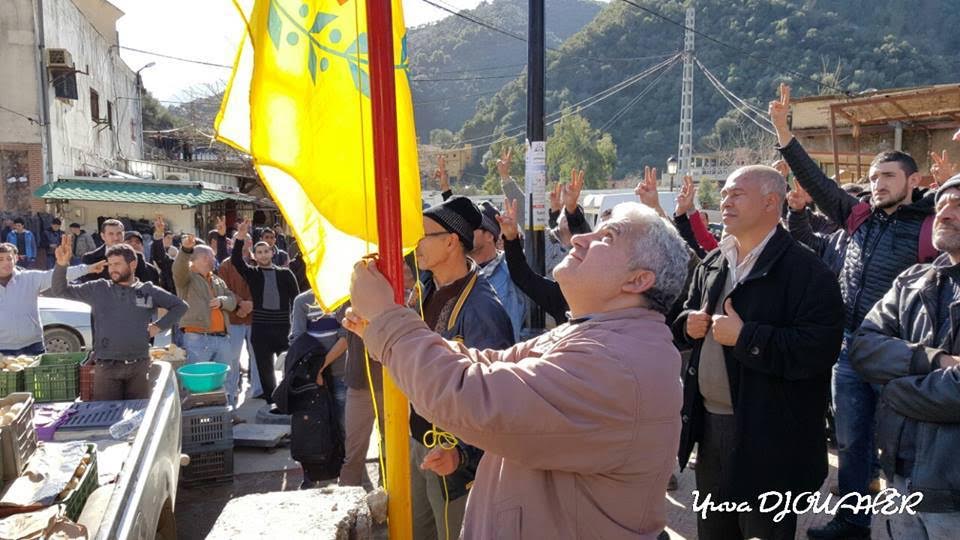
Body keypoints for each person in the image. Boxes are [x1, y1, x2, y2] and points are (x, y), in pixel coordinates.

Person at [344, 201, 689, 538]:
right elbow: (488, 363)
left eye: (608, 237)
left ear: (638, 280)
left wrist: (388, 321)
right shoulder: (591, 335)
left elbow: (471, 396)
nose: (581, 238)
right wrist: (386, 333)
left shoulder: (616, 363)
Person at [770, 84, 937, 540]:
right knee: (851, 442)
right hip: (849, 351)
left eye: (889, 177)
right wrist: (784, 134)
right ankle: (852, 521)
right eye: (875, 176)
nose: (879, 183)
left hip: (900, 357)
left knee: (898, 447)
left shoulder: (929, 227)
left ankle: (906, 524)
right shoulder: (858, 216)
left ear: (913, 182)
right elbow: (817, 183)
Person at [673, 165, 844, 540]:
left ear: (770, 202)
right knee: (713, 532)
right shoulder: (714, 262)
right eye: (724, 194)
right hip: (711, 429)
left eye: (737, 194)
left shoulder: (808, 272)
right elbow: (682, 315)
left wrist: (747, 336)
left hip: (771, 437)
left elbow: (819, 349)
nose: (725, 200)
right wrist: (688, 324)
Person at [398, 196, 516, 539]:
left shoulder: (482, 308)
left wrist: (463, 455)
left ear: (451, 241)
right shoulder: (425, 288)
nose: (415, 244)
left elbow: (495, 396)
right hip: (420, 438)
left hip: (453, 455)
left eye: (424, 235)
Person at [850, 174, 960, 539]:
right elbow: (864, 347)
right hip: (899, 476)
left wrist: (894, 391)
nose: (945, 213)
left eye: (959, 205)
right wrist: (932, 361)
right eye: (942, 203)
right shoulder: (912, 281)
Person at [50, 239, 186, 400]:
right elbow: (60, 290)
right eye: (111, 265)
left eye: (118, 264)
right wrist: (61, 264)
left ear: (133, 264)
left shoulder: (147, 290)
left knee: (138, 415)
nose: (113, 269)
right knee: (106, 415)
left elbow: (180, 306)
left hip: (139, 366)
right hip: (106, 367)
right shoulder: (98, 288)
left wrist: (158, 326)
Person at [231, 218, 299, 402]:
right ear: (254, 255)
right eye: (259, 252)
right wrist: (241, 236)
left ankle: (290, 399)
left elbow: (297, 300)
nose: (262, 255)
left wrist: (297, 327)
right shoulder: (253, 274)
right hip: (261, 328)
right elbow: (236, 261)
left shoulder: (285, 274)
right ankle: (273, 401)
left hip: (283, 328)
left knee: (290, 367)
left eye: (265, 251)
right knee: (265, 370)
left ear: (272, 252)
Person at [0, 242, 102, 355]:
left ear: (15, 258)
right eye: (1, 259)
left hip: (33, 346)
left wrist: (87, 269)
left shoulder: (29, 278)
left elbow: (56, 275)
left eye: (9, 258)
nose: (6, 263)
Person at [174, 234, 239, 406]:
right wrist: (186, 249)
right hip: (197, 337)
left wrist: (222, 302)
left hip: (221, 337)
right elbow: (178, 268)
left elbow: (232, 301)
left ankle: (227, 412)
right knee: (199, 382)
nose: (212, 259)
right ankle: (200, 413)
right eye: (207, 257)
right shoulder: (186, 279)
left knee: (226, 379)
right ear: (193, 260)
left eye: (211, 256)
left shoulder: (217, 279)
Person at [290, 289, 346, 430]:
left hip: (340, 373)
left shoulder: (344, 299)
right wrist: (314, 371)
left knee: (344, 424)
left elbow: (346, 339)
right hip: (312, 376)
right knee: (317, 425)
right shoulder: (302, 301)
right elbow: (299, 340)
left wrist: (319, 368)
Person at [218, 231, 259, 400]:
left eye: (246, 241)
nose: (243, 244)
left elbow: (262, 289)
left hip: (254, 317)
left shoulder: (257, 262)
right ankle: (231, 390)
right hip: (233, 318)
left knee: (257, 356)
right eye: (239, 241)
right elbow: (223, 289)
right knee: (232, 356)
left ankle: (258, 390)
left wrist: (251, 304)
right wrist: (241, 304)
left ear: (250, 243)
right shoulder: (226, 265)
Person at [80, 219, 160, 285]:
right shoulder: (90, 258)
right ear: (103, 236)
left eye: (119, 233)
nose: (116, 238)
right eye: (111, 234)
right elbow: (88, 287)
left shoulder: (137, 256)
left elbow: (144, 284)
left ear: (124, 234)